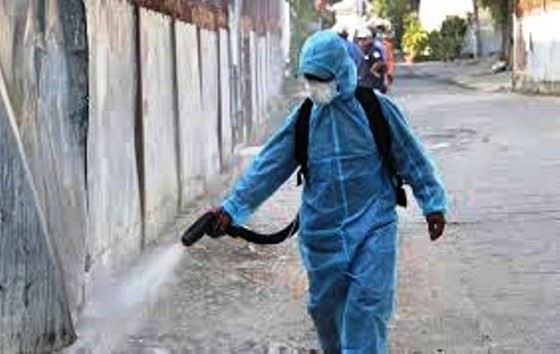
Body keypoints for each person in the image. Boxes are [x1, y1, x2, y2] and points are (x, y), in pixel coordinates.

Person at [211, 30, 447, 353]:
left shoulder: (376, 109)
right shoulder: (305, 119)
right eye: (309, 79)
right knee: (325, 312)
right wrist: (232, 209)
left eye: (320, 78)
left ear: (339, 72)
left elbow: (411, 156)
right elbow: (267, 167)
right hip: (321, 236)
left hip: (374, 227)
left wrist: (433, 202)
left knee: (367, 307)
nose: (314, 86)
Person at [356, 27, 387, 92]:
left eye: (364, 39)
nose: (361, 41)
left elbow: (379, 62)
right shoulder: (362, 50)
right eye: (360, 39)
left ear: (370, 39)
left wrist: (373, 70)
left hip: (373, 84)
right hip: (363, 82)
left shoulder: (374, 50)